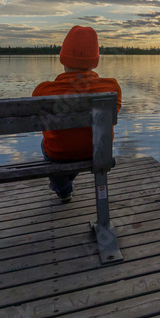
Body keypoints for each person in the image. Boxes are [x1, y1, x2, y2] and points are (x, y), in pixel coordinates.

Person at [32, 25, 122, 202]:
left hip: (59, 154)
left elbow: (38, 118)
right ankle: (65, 184)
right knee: (78, 141)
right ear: (95, 60)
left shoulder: (44, 91)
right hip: (98, 152)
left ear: (63, 58)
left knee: (50, 146)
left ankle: (63, 189)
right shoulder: (111, 88)